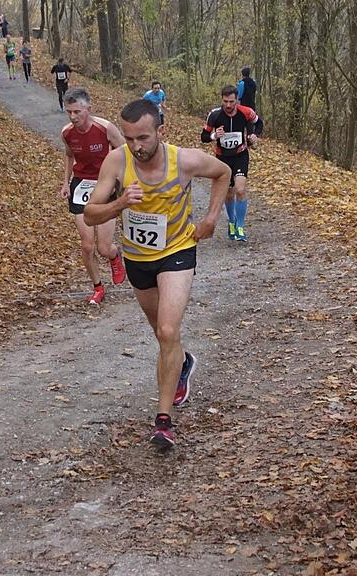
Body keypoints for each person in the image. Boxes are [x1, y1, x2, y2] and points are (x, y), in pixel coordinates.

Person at [83, 99, 231, 450]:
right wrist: (119, 204)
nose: (136, 146)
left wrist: (210, 219)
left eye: (144, 138)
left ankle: (163, 422)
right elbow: (90, 215)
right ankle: (182, 361)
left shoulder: (186, 160)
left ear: (160, 132)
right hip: (138, 258)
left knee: (168, 330)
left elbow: (222, 173)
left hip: (177, 251)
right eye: (130, 138)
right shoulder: (118, 162)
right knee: (161, 334)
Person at [59, 88, 127, 305]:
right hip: (81, 185)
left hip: (105, 183)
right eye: (69, 111)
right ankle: (98, 287)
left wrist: (123, 182)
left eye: (77, 111)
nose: (73, 116)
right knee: (87, 245)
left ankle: (115, 257)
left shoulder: (105, 128)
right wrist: (66, 183)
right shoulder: (67, 133)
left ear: (88, 109)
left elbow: (126, 154)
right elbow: (69, 156)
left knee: (103, 247)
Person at [201, 85, 262, 242]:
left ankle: (240, 226)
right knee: (228, 194)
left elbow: (259, 123)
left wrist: (255, 134)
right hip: (222, 158)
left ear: (237, 100)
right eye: (225, 101)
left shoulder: (246, 112)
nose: (228, 105)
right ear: (222, 99)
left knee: (240, 189)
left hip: (240, 155)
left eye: (231, 102)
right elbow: (204, 136)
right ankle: (232, 221)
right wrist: (215, 135)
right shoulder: (214, 115)